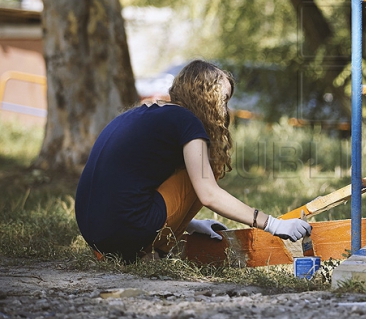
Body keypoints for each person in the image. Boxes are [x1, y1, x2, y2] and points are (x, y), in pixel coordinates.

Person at [75, 60, 311, 262]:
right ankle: (152, 251)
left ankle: (144, 246)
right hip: (126, 234)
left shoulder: (142, 113)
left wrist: (191, 224)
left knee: (192, 169)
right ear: (207, 97)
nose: (225, 110)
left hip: (97, 237)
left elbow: (133, 185)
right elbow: (208, 194)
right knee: (208, 169)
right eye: (224, 100)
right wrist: (274, 225)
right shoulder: (187, 121)